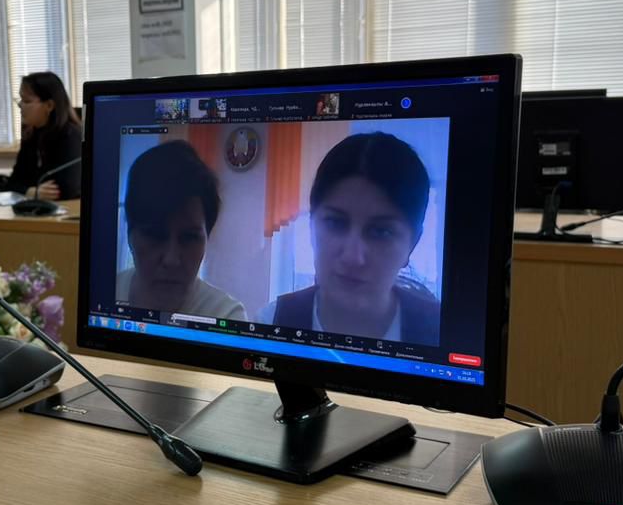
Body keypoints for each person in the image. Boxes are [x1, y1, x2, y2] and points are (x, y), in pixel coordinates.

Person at [269, 132, 440, 345]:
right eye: (335, 223)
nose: (353, 257)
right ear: (312, 225)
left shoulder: (443, 332)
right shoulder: (271, 322)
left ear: (412, 244)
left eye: (381, 232)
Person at [115, 140, 245, 320]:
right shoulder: (105, 291)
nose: (172, 260)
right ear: (130, 236)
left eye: (189, 238)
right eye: (155, 236)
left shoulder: (225, 315)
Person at [8, 71, 82, 201]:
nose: (20, 105)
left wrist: (28, 188)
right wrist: (30, 191)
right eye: (20, 99)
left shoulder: (71, 135)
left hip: (68, 209)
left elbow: (67, 189)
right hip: (37, 207)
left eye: (26, 101)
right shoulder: (30, 134)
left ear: (49, 105)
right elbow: (12, 182)